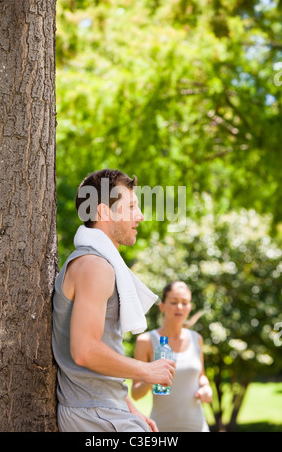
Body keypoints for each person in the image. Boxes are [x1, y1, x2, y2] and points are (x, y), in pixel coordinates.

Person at [52, 169, 175, 432]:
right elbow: (84, 350)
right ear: (104, 212)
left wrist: (130, 407)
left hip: (105, 408)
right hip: (93, 412)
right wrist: (146, 370)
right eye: (131, 206)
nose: (140, 216)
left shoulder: (98, 263)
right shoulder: (94, 266)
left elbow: (104, 348)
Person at [131, 281, 212, 432]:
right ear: (162, 306)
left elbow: (201, 376)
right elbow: (135, 394)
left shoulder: (197, 339)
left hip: (198, 427)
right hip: (162, 428)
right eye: (174, 302)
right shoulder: (146, 341)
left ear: (190, 307)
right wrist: (152, 377)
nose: (179, 307)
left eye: (185, 303)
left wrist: (206, 388)